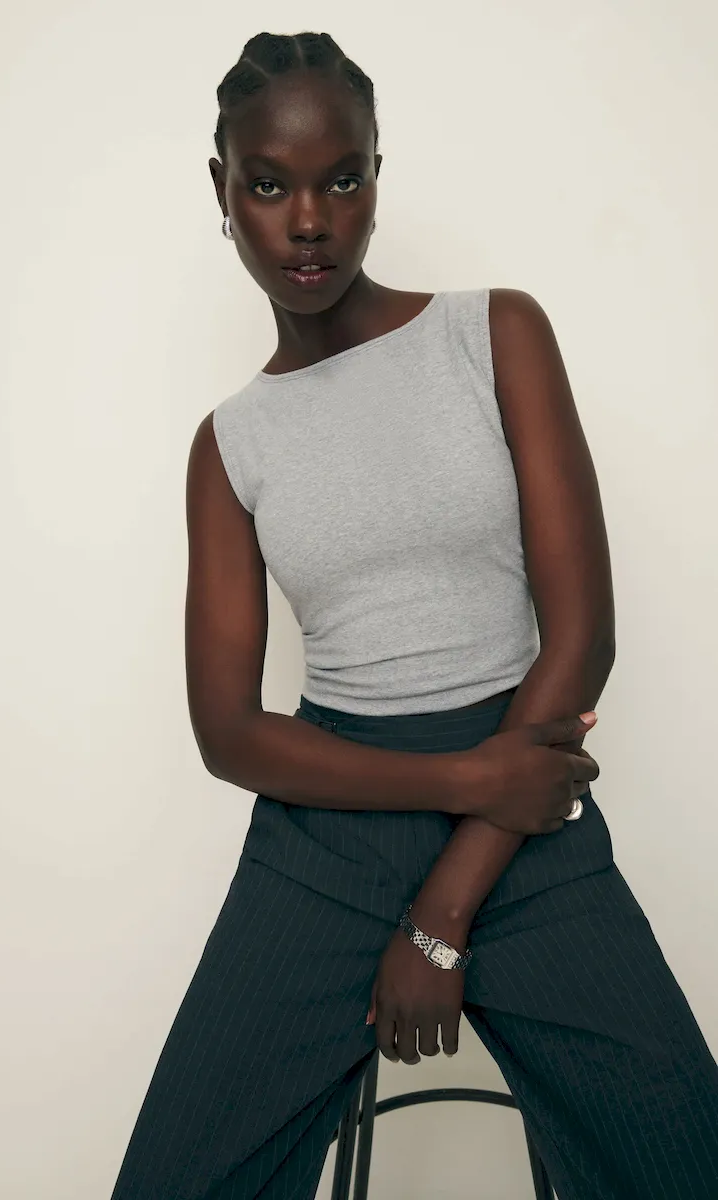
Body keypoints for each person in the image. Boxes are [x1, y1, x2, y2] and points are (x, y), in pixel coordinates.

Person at [111, 30, 718, 1200]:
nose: (309, 222)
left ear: (378, 177)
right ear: (222, 190)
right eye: (269, 185)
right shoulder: (230, 445)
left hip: (524, 811)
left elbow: (581, 635)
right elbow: (228, 733)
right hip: (331, 832)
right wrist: (461, 780)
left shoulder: (494, 333)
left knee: (683, 1159)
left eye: (341, 179)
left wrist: (443, 913)